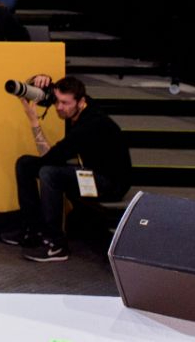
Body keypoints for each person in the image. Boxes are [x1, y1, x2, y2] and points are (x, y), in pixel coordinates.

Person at [9, 75, 132, 262]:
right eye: (57, 101)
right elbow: (57, 90)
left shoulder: (90, 124)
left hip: (110, 183)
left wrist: (34, 121)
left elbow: (49, 158)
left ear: (80, 102)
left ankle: (56, 244)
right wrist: (41, 77)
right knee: (24, 163)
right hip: (90, 173)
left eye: (65, 103)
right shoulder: (81, 105)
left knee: (48, 173)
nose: (59, 107)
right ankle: (32, 230)